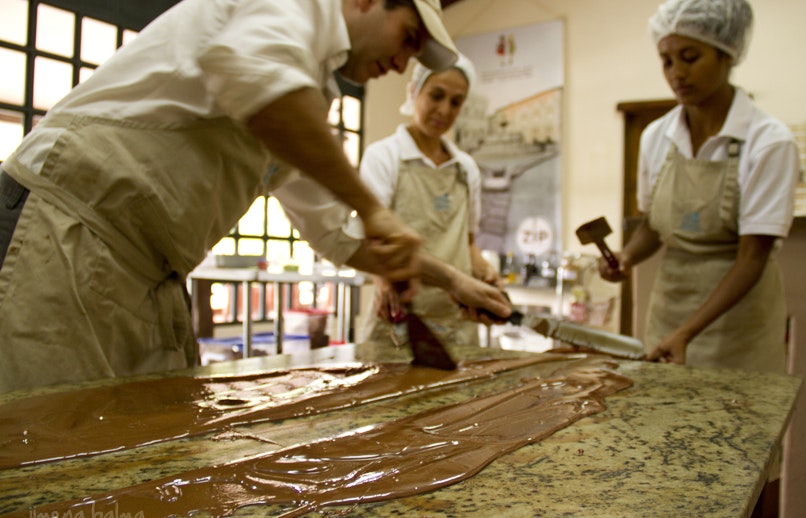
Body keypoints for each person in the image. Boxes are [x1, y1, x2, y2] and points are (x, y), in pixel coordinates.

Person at [0, 0, 509, 393]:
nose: (400, 64)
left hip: (145, 277)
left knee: (138, 446)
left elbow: (335, 234)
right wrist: (374, 208)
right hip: (65, 232)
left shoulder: (305, 102)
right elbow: (257, 82)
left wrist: (454, 280)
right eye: (407, 38)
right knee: (46, 445)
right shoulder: (290, 15)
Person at [598, 0, 798, 372]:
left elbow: (753, 257)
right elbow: (653, 227)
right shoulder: (657, 136)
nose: (677, 74)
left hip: (738, 329)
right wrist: (626, 256)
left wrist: (688, 333)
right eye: (667, 61)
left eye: (690, 57)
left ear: (727, 55)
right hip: (669, 316)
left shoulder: (769, 142)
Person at [347, 54, 499, 361]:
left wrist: (483, 270)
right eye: (436, 95)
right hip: (400, 318)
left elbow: (467, 243)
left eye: (456, 102)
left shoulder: (466, 169)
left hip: (458, 320)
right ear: (414, 91)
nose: (444, 110)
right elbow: (368, 238)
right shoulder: (384, 157)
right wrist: (383, 281)